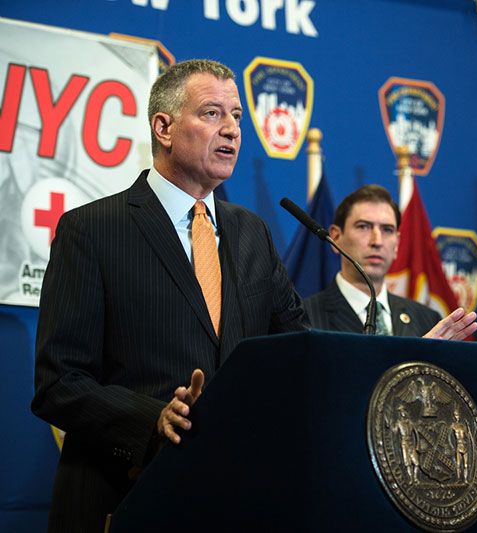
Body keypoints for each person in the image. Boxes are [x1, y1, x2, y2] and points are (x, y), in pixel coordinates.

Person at [30, 59, 308, 532]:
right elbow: (59, 383)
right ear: (163, 126)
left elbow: (299, 355)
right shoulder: (93, 231)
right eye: (212, 114)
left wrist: (383, 360)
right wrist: (153, 419)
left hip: (233, 502)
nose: (233, 131)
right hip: (126, 498)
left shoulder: (252, 234)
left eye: (237, 116)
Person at [303, 184, 477, 340]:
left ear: (397, 244)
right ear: (336, 237)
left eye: (387, 229)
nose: (377, 241)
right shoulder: (304, 318)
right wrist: (418, 356)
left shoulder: (428, 319)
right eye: (363, 226)